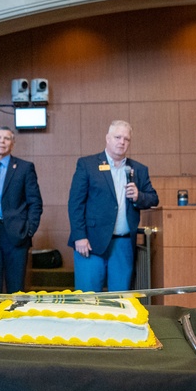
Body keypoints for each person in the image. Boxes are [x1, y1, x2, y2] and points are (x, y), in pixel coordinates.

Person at [68, 120, 159, 292]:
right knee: (88, 299)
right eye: (117, 137)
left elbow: (154, 199)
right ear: (107, 139)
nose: (121, 142)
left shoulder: (138, 169)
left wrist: (139, 196)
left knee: (120, 299)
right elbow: (75, 203)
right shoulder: (87, 165)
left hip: (123, 244)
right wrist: (79, 236)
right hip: (90, 243)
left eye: (126, 139)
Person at [0, 127, 43, 293]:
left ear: (12, 144)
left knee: (16, 288)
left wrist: (29, 231)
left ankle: (14, 318)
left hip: (16, 235)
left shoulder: (24, 168)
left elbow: (35, 202)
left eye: (6, 138)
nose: (2, 141)